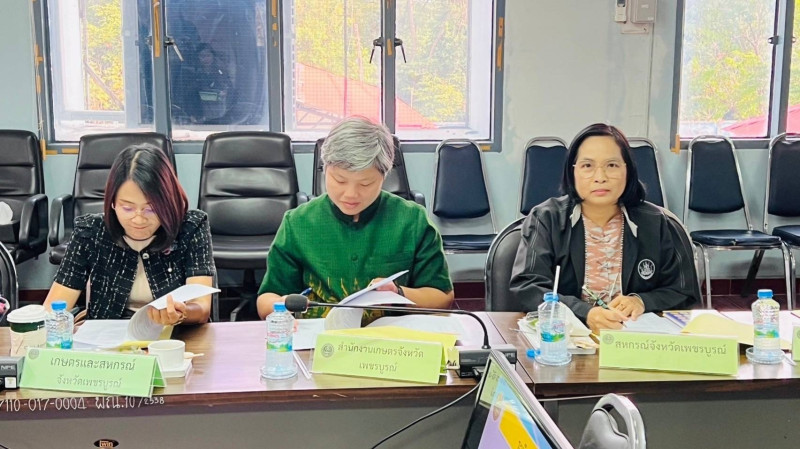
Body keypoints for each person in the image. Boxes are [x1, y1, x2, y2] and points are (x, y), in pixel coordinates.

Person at [256, 116, 454, 319]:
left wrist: (398, 293)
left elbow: (442, 297)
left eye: (365, 184)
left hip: (390, 336)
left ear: (384, 176)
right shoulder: (298, 223)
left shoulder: (412, 220)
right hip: (319, 335)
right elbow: (266, 301)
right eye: (339, 180)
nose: (351, 194)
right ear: (325, 169)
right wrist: (280, 305)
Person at [510, 123, 699, 334]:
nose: (600, 177)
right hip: (566, 339)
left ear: (628, 170)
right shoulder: (547, 219)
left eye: (612, 165)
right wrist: (585, 313)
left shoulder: (658, 223)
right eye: (587, 166)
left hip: (635, 339)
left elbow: (684, 291)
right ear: (572, 172)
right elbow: (527, 287)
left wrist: (642, 301)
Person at [44, 145, 216, 325]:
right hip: (107, 333)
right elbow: (55, 306)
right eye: (127, 208)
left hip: (173, 333)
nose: (139, 219)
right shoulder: (90, 231)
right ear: (112, 202)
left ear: (168, 202)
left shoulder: (191, 227)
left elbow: (202, 307)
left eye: (151, 209)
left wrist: (181, 313)